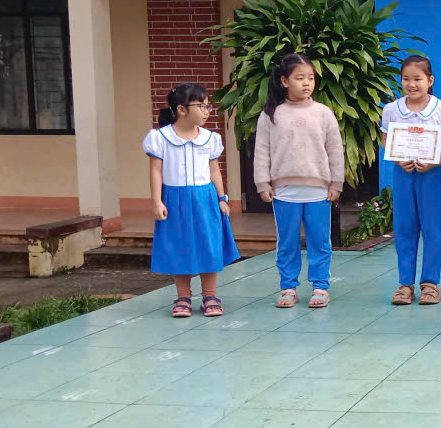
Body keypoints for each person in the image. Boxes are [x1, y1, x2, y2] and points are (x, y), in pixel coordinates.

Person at [253, 54, 344, 310]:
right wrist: (263, 183)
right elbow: (262, 151)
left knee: (320, 241)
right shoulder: (271, 115)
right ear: (284, 81)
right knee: (287, 242)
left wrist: (336, 183)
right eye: (300, 78)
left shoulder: (323, 113)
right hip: (283, 192)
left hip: (318, 191)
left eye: (310, 78)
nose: (306, 83)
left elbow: (335, 150)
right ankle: (288, 287)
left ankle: (320, 287)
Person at [144, 83, 240, 318]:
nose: (207, 111)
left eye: (208, 106)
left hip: (205, 200)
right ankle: (183, 298)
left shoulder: (210, 138)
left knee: (209, 245)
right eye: (202, 106)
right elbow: (156, 171)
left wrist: (222, 198)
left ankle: (210, 296)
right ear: (181, 109)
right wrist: (157, 201)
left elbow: (215, 171)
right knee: (179, 246)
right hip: (174, 200)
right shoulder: (160, 138)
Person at [381, 55, 441, 307]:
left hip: (433, 175)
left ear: (430, 80)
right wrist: (397, 160)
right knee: (404, 227)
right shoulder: (391, 109)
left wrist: (436, 161)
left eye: (418, 79)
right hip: (404, 174)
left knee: (432, 229)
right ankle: (405, 284)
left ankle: (430, 284)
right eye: (406, 79)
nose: (412, 84)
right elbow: (385, 138)